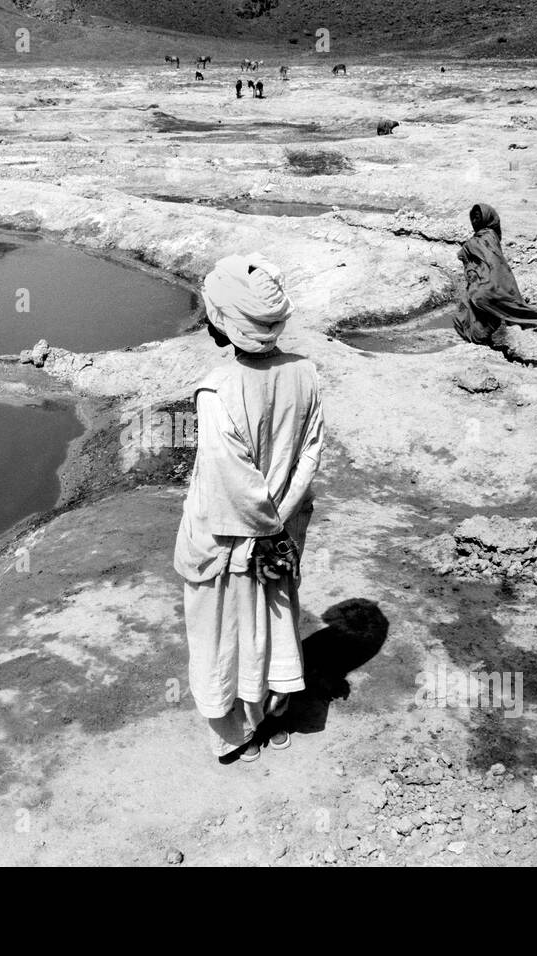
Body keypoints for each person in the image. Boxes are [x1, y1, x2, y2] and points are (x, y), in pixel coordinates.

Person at [174, 253, 325, 763]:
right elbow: (310, 454)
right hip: (279, 536)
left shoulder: (218, 389)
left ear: (222, 322)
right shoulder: (305, 374)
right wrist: (280, 522)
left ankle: (236, 735)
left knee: (224, 630)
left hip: (228, 540)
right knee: (270, 621)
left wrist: (261, 527)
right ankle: (270, 720)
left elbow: (229, 483)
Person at [454, 203, 537, 345]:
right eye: (473, 218)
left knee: (471, 317)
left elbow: (481, 265)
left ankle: (482, 344)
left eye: (477, 217)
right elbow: (498, 267)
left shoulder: (481, 239)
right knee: (515, 312)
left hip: (479, 290)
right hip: (489, 290)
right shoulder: (490, 237)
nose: (475, 221)